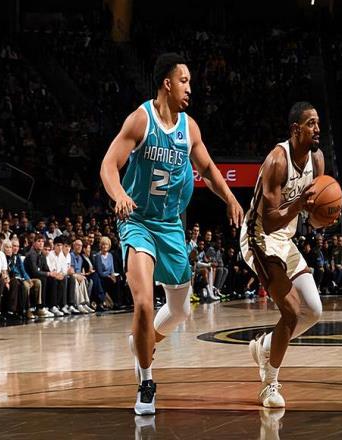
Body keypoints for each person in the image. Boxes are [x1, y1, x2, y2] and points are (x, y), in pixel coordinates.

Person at [100, 52, 243, 415]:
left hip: (171, 226)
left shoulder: (189, 128)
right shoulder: (141, 120)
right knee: (144, 303)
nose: (189, 88)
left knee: (179, 310)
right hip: (138, 221)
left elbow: (208, 168)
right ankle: (146, 381)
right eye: (184, 81)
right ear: (167, 83)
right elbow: (108, 165)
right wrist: (119, 196)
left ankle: (141, 341)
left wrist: (230, 199)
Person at [240, 101, 324, 408]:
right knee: (291, 310)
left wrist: (325, 213)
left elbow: (313, 217)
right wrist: (300, 204)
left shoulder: (317, 159)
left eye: (318, 123)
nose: (317, 129)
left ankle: (266, 345)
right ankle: (269, 384)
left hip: (285, 240)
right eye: (311, 123)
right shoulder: (277, 160)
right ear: (295, 129)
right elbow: (270, 220)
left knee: (313, 310)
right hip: (259, 238)